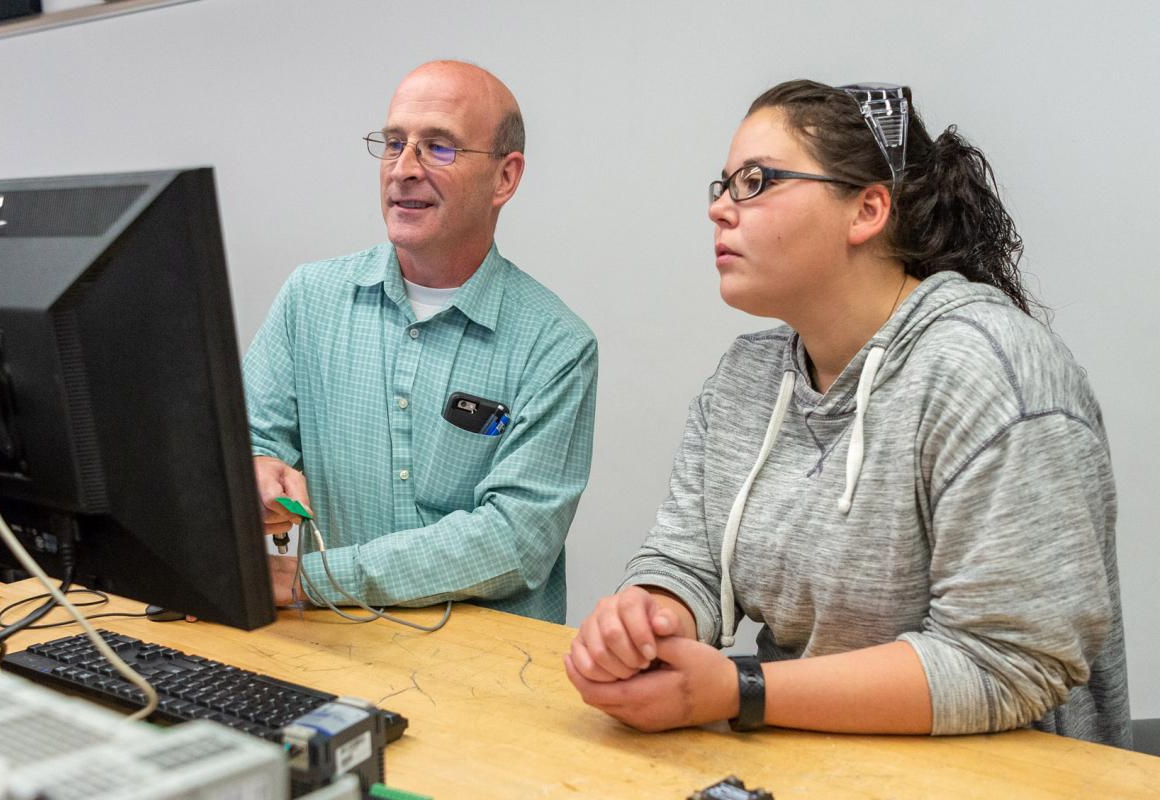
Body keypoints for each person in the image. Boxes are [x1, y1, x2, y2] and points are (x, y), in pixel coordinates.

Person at [565, 80, 1130, 748]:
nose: (720, 209)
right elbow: (687, 562)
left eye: (754, 181)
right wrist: (646, 623)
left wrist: (740, 690)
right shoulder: (745, 376)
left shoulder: (992, 373)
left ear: (866, 210)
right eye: (720, 186)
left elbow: (1006, 663)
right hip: (802, 758)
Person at [243, 61, 597, 624]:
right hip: (328, 648)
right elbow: (253, 438)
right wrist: (258, 467)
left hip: (478, 672)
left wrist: (312, 579)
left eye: (439, 148)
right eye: (393, 143)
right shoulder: (309, 298)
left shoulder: (555, 345)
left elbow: (513, 542)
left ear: (505, 178)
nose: (403, 169)